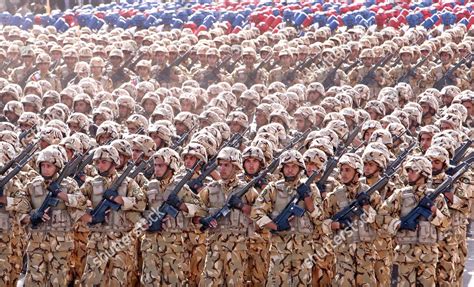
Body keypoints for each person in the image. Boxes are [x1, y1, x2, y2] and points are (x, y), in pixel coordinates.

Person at [378, 156, 450, 286]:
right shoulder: (400, 195)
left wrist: (434, 211)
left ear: (423, 173)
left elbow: (446, 225)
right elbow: (381, 216)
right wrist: (398, 224)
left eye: (413, 171)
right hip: (405, 255)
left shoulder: (436, 197)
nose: (409, 174)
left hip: (428, 256)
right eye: (408, 170)